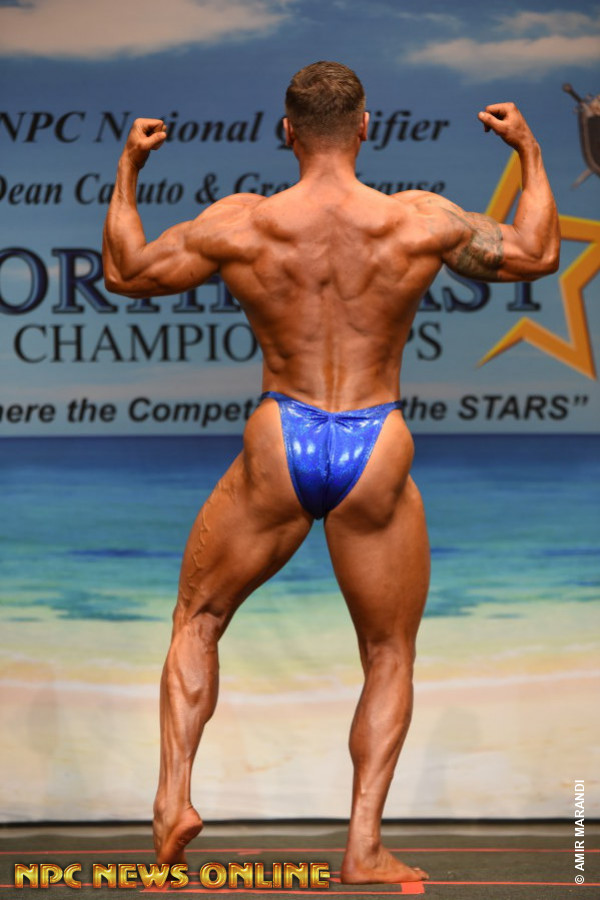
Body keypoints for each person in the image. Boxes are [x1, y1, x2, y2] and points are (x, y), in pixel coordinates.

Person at [102, 61, 560, 884]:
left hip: (282, 435)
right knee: (388, 652)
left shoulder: (244, 223)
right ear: (365, 127)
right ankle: (362, 846)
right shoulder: (416, 219)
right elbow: (536, 254)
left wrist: (130, 167)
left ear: (286, 132)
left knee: (198, 618)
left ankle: (172, 801)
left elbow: (125, 271)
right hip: (375, 442)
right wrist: (528, 150)